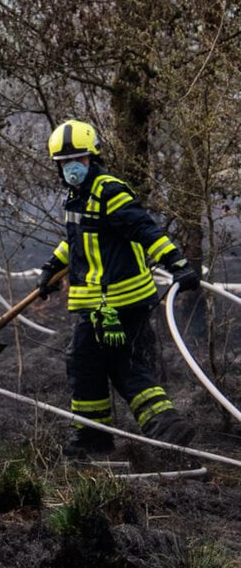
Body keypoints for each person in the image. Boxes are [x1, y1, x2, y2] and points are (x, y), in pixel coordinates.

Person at [38, 119, 201, 457]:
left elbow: (145, 230)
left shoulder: (109, 191)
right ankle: (128, 430)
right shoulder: (77, 197)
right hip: (98, 303)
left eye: (78, 161)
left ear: (92, 158)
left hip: (118, 302)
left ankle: (120, 433)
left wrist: (177, 264)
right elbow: (77, 241)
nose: (72, 168)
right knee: (101, 362)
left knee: (101, 361)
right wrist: (53, 267)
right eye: (65, 163)